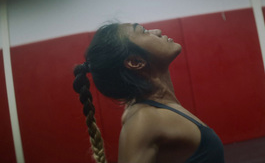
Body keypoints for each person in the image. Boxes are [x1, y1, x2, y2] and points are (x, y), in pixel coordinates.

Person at [73, 23, 225, 163]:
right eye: (144, 31)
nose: (157, 31)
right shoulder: (144, 120)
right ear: (135, 62)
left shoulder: (152, 110)